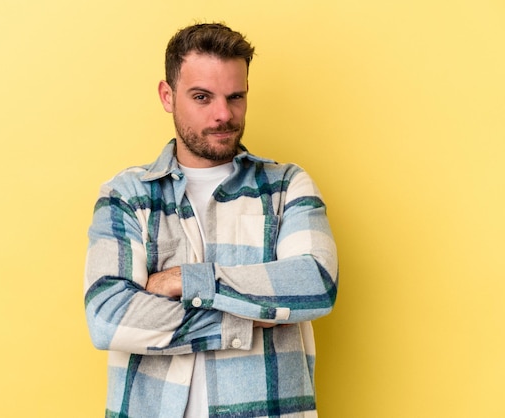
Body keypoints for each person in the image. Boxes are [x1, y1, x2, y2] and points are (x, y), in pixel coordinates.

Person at [84, 22, 338, 418]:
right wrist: (251, 318)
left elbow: (315, 283)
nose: (224, 114)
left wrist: (189, 279)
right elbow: (108, 318)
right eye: (202, 97)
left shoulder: (287, 186)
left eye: (235, 97)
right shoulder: (126, 195)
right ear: (167, 96)